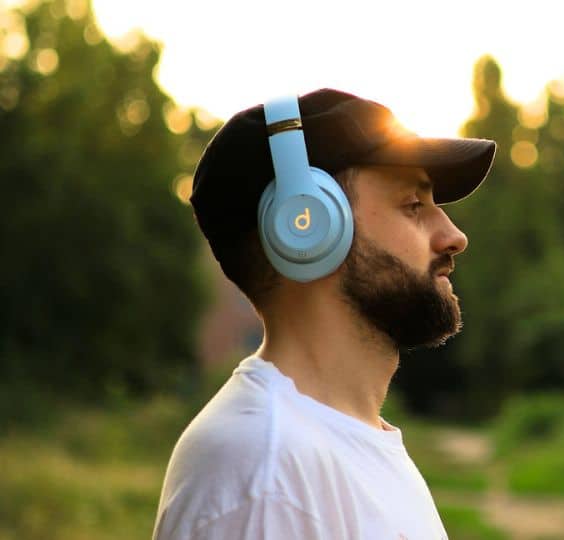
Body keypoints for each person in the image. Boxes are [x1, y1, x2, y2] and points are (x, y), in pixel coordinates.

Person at [152, 88, 496, 540]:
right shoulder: (266, 470)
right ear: (307, 226)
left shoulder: (337, 444)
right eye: (414, 205)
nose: (454, 236)